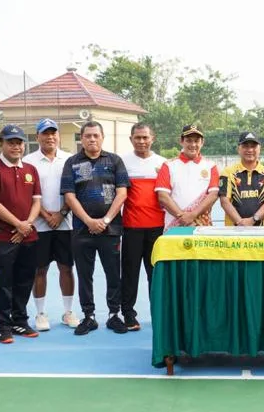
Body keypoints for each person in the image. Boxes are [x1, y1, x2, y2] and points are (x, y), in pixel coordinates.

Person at [61, 121, 130, 336]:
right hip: (82, 230)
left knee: (113, 273)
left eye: (95, 135)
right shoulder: (71, 163)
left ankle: (114, 315)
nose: (92, 139)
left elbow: (122, 193)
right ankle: (88, 316)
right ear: (81, 139)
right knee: (84, 274)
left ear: (102, 138)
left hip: (110, 230)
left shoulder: (115, 161)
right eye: (88, 136)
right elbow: (69, 196)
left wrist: (106, 220)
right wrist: (89, 221)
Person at [0, 125, 42, 343]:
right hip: (1, 236)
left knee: (25, 281)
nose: (15, 147)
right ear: (1, 144)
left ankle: (20, 321)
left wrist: (27, 225)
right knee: (3, 283)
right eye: (11, 142)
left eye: (19, 143)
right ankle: (4, 325)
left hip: (28, 235)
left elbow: (37, 201)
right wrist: (18, 224)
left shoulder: (31, 170)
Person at [24, 118, 78, 332]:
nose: (50, 137)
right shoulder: (28, 161)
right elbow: (27, 194)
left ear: (58, 135)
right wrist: (46, 215)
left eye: (53, 133)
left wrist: (62, 212)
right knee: (40, 269)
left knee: (67, 268)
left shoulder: (70, 160)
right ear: (37, 137)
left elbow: (73, 191)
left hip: (65, 224)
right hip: (40, 225)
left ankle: (68, 311)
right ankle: (40, 313)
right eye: (45, 133)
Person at [120, 122, 166, 331]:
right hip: (131, 227)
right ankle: (128, 315)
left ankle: (158, 313)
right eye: (137, 137)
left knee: (155, 274)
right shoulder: (122, 162)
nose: (141, 141)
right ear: (131, 139)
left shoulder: (164, 164)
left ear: (152, 138)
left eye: (145, 137)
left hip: (158, 229)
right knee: (130, 274)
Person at [155, 124, 220, 231]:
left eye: (196, 141)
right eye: (189, 140)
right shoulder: (168, 165)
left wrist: (192, 215)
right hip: (174, 225)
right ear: (181, 141)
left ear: (202, 142)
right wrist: (182, 217)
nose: (193, 144)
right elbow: (163, 196)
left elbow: (213, 195)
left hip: (202, 226)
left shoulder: (211, 166)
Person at [219, 131, 264, 226]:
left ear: (259, 149)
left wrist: (253, 220)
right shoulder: (228, 172)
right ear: (238, 149)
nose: (250, 150)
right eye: (245, 146)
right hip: (233, 231)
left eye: (253, 146)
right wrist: (240, 222)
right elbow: (224, 201)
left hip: (261, 231)